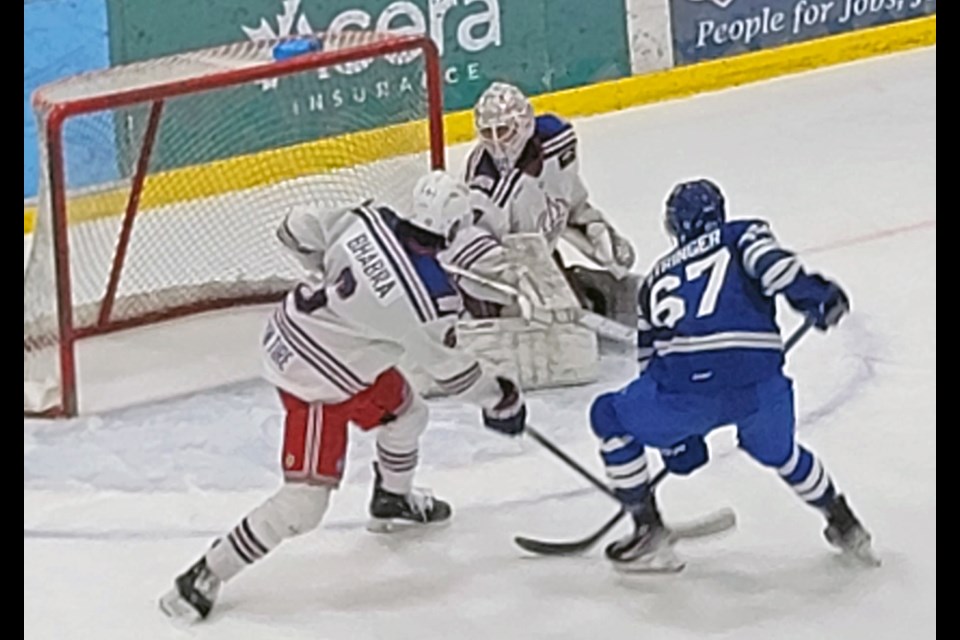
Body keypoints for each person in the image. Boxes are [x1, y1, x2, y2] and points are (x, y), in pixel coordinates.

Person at [158, 171, 527, 622]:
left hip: (303, 333)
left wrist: (340, 288)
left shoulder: (369, 218)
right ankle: (203, 574)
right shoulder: (431, 299)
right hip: (314, 377)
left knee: (406, 414)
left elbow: (294, 229)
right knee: (304, 504)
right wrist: (501, 398)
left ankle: (393, 497)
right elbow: (454, 374)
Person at [586, 178, 877, 572]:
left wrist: (675, 443)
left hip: (685, 394)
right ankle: (844, 523)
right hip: (759, 386)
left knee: (609, 415)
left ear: (672, 226)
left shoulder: (654, 281)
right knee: (782, 452)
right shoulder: (741, 234)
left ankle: (648, 530)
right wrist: (813, 294)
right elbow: (774, 267)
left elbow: (650, 363)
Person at [441, 81, 637, 320]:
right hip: (500, 284)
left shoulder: (558, 140)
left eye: (502, 130)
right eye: (487, 133)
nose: (496, 143)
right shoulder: (485, 183)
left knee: (581, 315)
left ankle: (580, 289)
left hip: (539, 261)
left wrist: (593, 228)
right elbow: (468, 255)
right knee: (558, 332)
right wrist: (518, 285)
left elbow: (565, 201)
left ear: (523, 123)